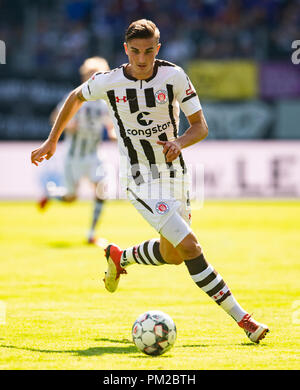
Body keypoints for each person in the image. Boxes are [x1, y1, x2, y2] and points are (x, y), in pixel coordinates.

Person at [31, 19, 269, 343]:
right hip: (140, 179)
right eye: (135, 52)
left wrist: (179, 142)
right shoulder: (110, 81)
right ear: (125, 49)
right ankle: (245, 320)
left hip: (176, 175)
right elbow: (75, 96)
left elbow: (200, 126)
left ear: (158, 48)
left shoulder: (174, 76)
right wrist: (52, 140)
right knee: (190, 247)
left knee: (172, 254)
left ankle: (121, 256)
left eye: (148, 51)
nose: (141, 59)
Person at [38, 56, 116, 244]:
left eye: (98, 75)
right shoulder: (75, 97)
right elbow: (55, 117)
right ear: (84, 77)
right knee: (70, 198)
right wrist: (68, 126)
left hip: (94, 155)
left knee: (102, 189)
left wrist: (114, 135)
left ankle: (91, 234)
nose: (94, 78)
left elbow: (110, 126)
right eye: (91, 74)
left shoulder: (105, 103)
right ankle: (51, 194)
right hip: (73, 157)